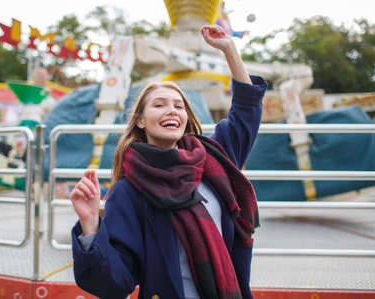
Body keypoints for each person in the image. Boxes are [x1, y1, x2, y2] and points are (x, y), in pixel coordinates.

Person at [70, 24, 267, 299]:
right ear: (140, 121)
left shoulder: (213, 158)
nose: (172, 110)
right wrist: (90, 224)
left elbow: (246, 112)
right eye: (159, 105)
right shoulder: (128, 192)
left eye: (179, 105)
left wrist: (230, 50)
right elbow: (116, 283)